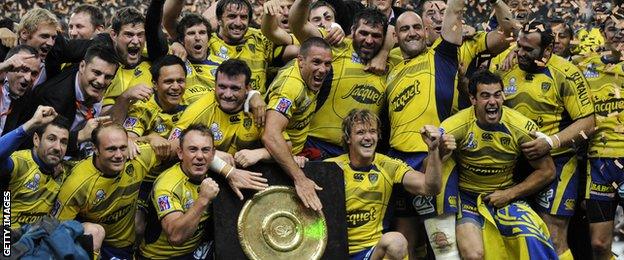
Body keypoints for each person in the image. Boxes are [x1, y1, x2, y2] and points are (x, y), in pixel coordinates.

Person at [491, 20, 595, 260]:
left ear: (547, 50)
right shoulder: (505, 65)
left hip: (557, 163)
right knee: (511, 231)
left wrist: (551, 142)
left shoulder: (566, 72)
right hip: (512, 162)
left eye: (528, 50)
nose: (520, 53)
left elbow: (588, 123)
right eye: (519, 46)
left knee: (553, 234)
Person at [442, 70, 558, 259]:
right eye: (485, 96)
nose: (493, 102)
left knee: (532, 235)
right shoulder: (455, 126)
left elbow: (547, 171)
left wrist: (509, 194)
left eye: (497, 95)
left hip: (506, 195)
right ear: (473, 99)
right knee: (474, 255)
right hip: (467, 198)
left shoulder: (520, 127)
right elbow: (429, 166)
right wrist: (436, 149)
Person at [384, 0, 463, 255]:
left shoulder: (442, 56)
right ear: (396, 36)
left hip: (433, 158)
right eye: (404, 29)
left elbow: (455, 11)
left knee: (444, 247)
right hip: (399, 163)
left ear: (427, 31)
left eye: (417, 27)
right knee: (406, 246)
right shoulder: (391, 72)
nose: (412, 32)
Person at [325, 108, 452, 259]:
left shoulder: (389, 166)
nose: (368, 137)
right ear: (348, 138)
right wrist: (300, 167)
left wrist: (433, 150)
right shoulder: (330, 167)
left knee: (396, 242)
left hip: (371, 252)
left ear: (378, 136)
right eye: (360, 132)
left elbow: (430, 187)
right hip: (333, 252)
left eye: (372, 132)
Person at [0, 105, 105, 256]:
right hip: (8, 238)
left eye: (63, 142)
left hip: (41, 237)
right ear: (36, 139)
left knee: (95, 231)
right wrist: (31, 124)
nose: (58, 147)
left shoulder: (66, 170)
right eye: (51, 139)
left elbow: (102, 163)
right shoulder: (19, 162)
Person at [289, 4, 390, 160]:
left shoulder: (392, 59)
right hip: (317, 145)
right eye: (363, 33)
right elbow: (298, 24)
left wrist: (384, 52)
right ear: (352, 31)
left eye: (376, 36)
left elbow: (400, 28)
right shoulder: (335, 46)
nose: (369, 40)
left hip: (361, 152)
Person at [262, 37, 333, 211]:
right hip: (281, 160)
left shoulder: (312, 75)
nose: (322, 70)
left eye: (327, 64)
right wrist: (300, 179)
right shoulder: (291, 88)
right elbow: (270, 135)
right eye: (316, 62)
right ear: (300, 61)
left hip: (298, 153)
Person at [576, 14, 624, 260]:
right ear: (603, 33)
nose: (618, 33)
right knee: (598, 244)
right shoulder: (585, 65)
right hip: (600, 162)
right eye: (612, 28)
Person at [139, 124, 220, 259]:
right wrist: (203, 200)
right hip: (162, 257)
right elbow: (175, 237)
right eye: (193, 150)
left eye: (205, 150)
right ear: (180, 153)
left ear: (213, 154)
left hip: (197, 251)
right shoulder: (167, 186)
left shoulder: (212, 174)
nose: (200, 156)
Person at [30, 43, 119, 157]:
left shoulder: (94, 85)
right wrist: (80, 136)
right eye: (96, 73)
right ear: (82, 66)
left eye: (108, 77)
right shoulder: (53, 98)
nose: (101, 81)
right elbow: (43, 145)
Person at [0, 45, 40, 135]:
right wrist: (3, 66)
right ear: (8, 67)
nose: (28, 78)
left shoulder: (28, 100)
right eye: (23, 70)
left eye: (34, 73)